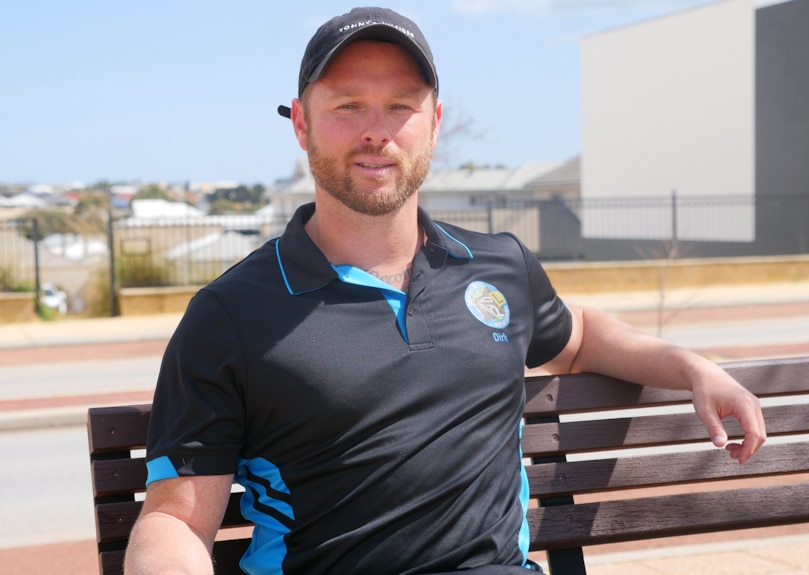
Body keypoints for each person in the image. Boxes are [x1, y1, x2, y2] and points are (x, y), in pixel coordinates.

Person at [125, 7, 767, 574]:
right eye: (348, 105)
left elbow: (582, 339)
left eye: (400, 105)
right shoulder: (230, 315)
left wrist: (692, 367)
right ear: (301, 124)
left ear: (433, 122)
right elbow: (175, 523)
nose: (377, 130)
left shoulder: (497, 265)